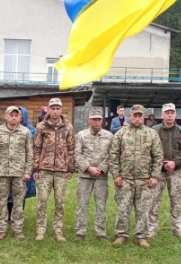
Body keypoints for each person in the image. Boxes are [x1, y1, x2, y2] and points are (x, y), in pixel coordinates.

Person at [109, 104, 163, 248]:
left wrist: (154, 176)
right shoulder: (121, 133)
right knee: (123, 208)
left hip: (144, 179)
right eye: (135, 115)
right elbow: (113, 155)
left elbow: (158, 156)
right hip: (125, 179)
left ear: (143, 117)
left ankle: (141, 236)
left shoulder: (151, 134)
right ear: (130, 116)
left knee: (143, 209)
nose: (137, 118)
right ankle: (121, 234)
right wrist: (116, 174)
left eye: (140, 116)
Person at [33, 98, 75, 241]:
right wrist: (36, 168)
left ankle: (58, 230)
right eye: (53, 108)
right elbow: (37, 148)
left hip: (61, 170)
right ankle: (40, 230)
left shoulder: (68, 127)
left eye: (58, 108)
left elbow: (71, 148)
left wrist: (70, 168)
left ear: (61, 110)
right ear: (48, 110)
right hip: (44, 169)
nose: (55, 111)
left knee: (59, 202)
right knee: (42, 200)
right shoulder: (41, 127)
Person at [0, 106, 33, 240]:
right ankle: (1, 229)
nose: (14, 117)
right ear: (6, 116)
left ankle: (17, 229)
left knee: (18, 202)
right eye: (11, 115)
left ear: (20, 117)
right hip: (2, 172)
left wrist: (27, 172)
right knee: (1, 202)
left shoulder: (25, 132)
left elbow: (30, 153)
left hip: (19, 173)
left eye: (17, 115)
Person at [149, 103, 181, 239]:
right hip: (158, 171)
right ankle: (152, 228)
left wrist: (174, 162)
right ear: (162, 114)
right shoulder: (154, 130)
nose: (170, 115)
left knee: (176, 200)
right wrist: (160, 163)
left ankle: (177, 228)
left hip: (176, 171)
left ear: (175, 114)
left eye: (172, 112)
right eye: (167, 112)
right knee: (154, 199)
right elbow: (150, 149)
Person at [74, 108, 112, 241]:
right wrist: (88, 168)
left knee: (101, 205)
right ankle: (80, 231)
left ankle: (101, 232)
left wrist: (101, 168)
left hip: (101, 177)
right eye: (94, 119)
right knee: (82, 204)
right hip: (85, 176)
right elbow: (77, 154)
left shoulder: (109, 136)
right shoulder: (81, 135)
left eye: (99, 119)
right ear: (88, 120)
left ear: (102, 120)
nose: (96, 122)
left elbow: (112, 155)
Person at [7, 106, 37, 221]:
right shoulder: (6, 129)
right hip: (9, 166)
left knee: (21, 191)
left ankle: (18, 216)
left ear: (23, 116)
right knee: (8, 191)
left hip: (24, 166)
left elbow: (32, 148)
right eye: (14, 114)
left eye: (19, 114)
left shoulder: (30, 130)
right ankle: (8, 215)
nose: (16, 117)